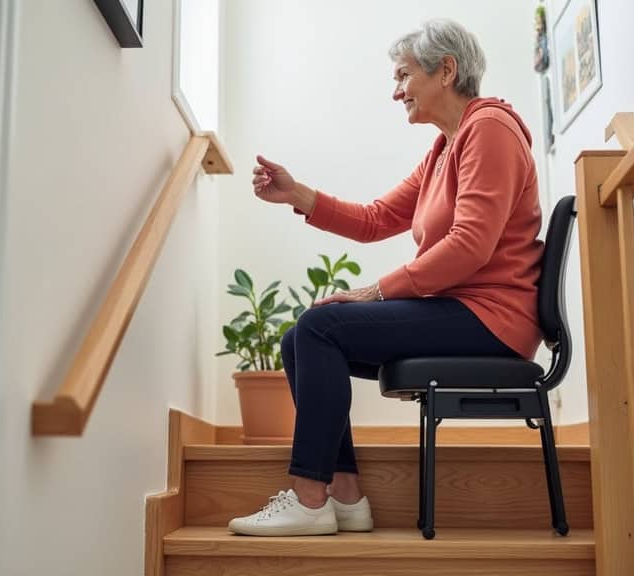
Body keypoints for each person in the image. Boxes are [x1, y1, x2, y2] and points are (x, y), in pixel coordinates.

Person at [227, 18, 545, 537]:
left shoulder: (490, 130)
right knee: (299, 339)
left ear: (447, 70)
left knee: (319, 328)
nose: (395, 91)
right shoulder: (446, 146)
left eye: (404, 76)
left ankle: (309, 501)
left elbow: (470, 246)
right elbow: (376, 218)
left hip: (492, 319)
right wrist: (297, 194)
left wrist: (375, 291)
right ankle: (347, 498)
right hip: (461, 310)